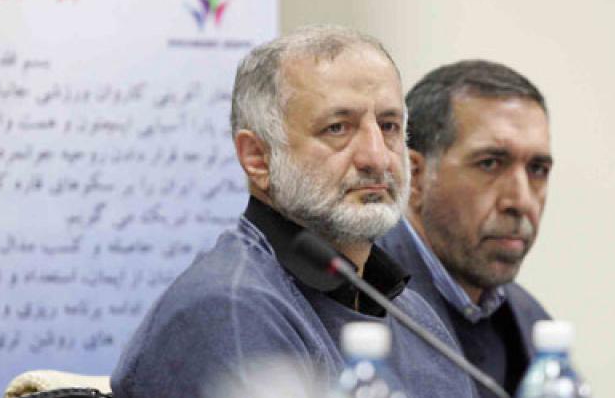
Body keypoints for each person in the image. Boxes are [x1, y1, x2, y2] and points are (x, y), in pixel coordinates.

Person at [111, 26, 477, 398]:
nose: (377, 157)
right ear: (257, 158)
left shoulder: (412, 312)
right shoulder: (231, 307)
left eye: (389, 126)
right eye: (337, 128)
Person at [379, 60, 553, 398]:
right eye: (490, 164)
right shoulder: (358, 306)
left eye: (537, 169)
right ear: (413, 176)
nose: (520, 200)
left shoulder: (531, 320)